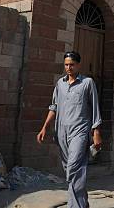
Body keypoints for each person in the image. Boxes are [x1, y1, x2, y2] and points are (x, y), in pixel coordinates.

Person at [37, 51, 103, 208]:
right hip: (61, 132)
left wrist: (97, 132)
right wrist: (44, 127)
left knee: (74, 168)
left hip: (80, 131)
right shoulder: (60, 84)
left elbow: (95, 108)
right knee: (72, 171)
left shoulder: (87, 83)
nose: (68, 67)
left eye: (72, 64)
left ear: (78, 65)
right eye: (66, 64)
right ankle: (82, 204)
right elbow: (54, 107)